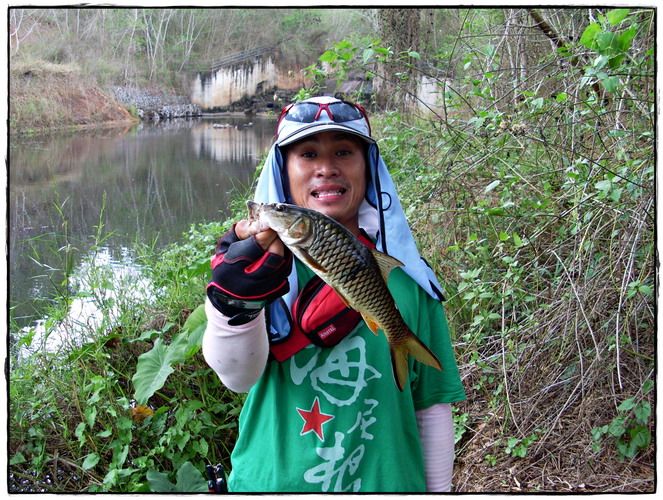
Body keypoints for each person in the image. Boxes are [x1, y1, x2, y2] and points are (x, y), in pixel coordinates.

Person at [202, 95, 466, 493]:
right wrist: (233, 304)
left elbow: (431, 410)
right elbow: (237, 377)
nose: (326, 168)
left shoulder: (413, 282)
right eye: (307, 154)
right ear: (283, 171)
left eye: (344, 151)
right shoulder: (249, 270)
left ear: (369, 168)